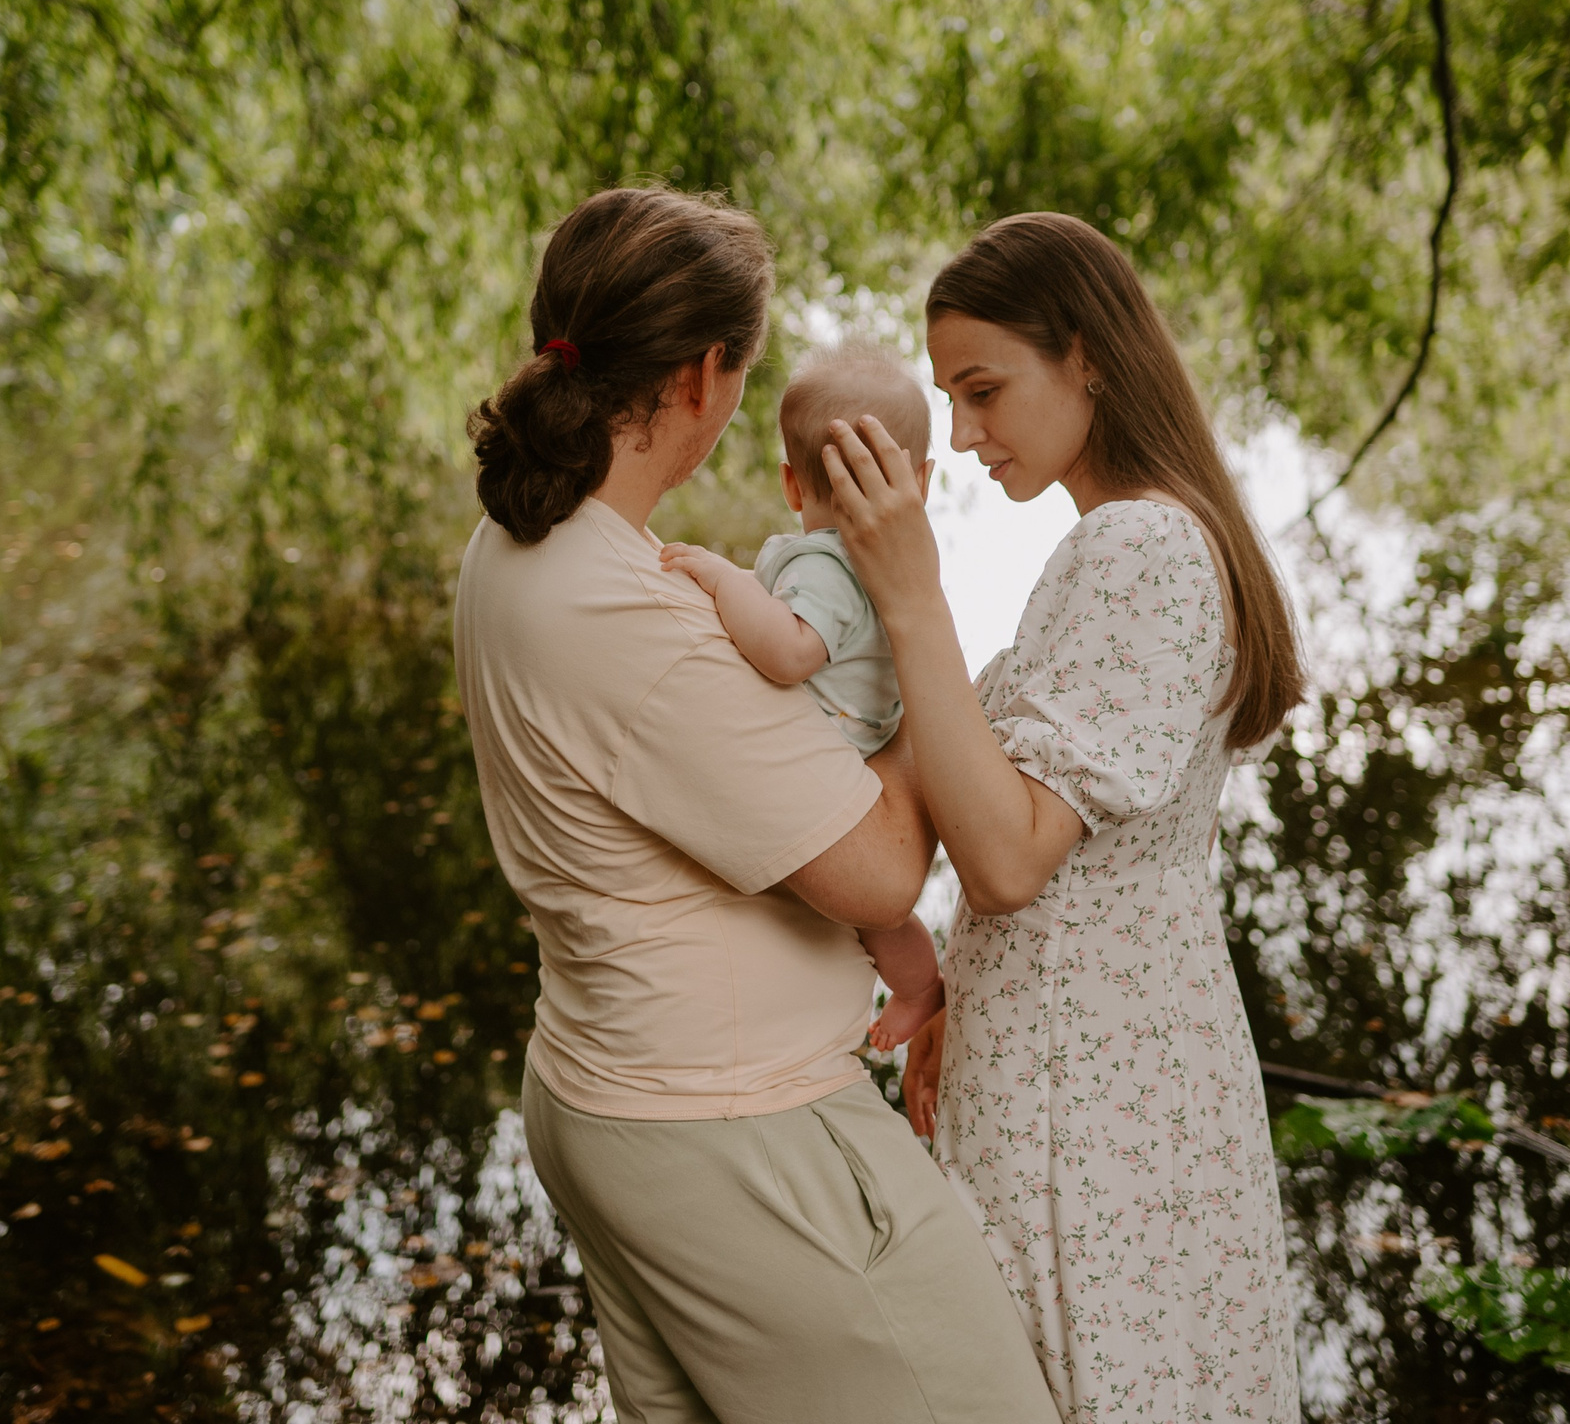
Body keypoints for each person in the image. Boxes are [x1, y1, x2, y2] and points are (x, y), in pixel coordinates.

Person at [454, 187, 1058, 1424]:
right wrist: (910, 618)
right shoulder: (627, 611)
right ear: (700, 376)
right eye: (743, 370)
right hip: (736, 1131)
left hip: (617, 1101)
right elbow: (879, 872)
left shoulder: (522, 545)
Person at [821, 212, 1305, 1423]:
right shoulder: (1138, 541)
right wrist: (954, 990)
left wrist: (910, 593)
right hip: (1122, 1052)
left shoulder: (1138, 544)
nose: (963, 434)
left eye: (983, 390)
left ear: (1084, 355)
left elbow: (1008, 862)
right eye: (949, 398)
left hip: (1088, 1089)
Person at [657, 340, 945, 1052]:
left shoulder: (825, 565)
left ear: (792, 484)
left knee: (868, 910)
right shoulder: (886, 566)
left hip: (836, 754)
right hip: (866, 740)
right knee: (875, 919)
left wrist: (724, 579)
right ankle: (913, 986)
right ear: (921, 481)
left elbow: (790, 653)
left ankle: (918, 988)